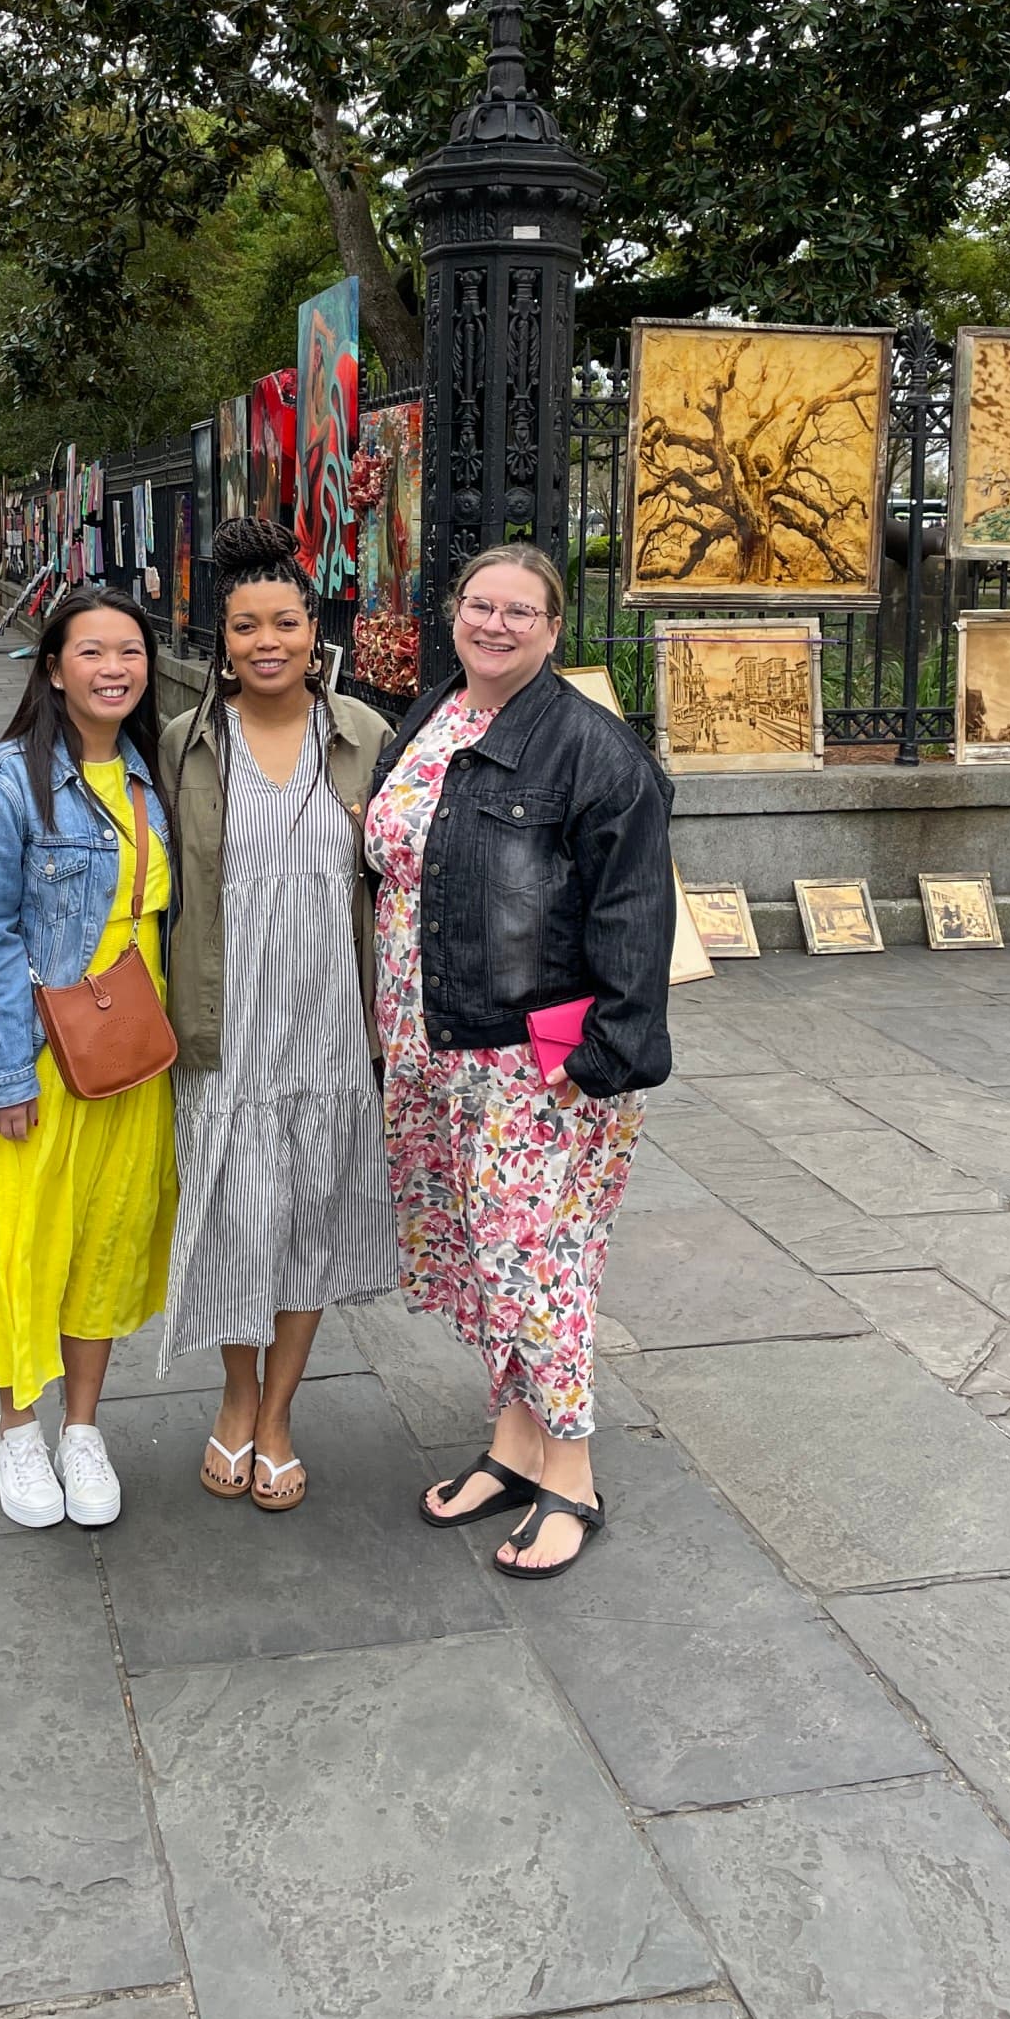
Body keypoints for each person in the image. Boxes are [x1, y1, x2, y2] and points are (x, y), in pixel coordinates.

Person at [365, 545, 674, 1583]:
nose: (493, 625)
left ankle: (570, 1475)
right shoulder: (433, 715)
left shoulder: (592, 752)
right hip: (427, 1038)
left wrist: (604, 1056)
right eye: (477, 605)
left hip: (530, 1060)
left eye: (519, 612)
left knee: (535, 1259)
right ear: (452, 614)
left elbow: (633, 909)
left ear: (551, 629)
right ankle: (511, 1444)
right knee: (474, 1250)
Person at [158, 519, 396, 1510]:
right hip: (225, 1009)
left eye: (285, 623)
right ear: (222, 637)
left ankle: (278, 1413)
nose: (267, 642)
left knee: (306, 1210)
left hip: (329, 1012)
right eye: (246, 625)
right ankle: (232, 1395)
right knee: (227, 1209)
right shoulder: (182, 743)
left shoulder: (365, 737)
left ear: (313, 630)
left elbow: (402, 875)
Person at [0, 588, 177, 1531]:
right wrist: (3, 1074)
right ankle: (16, 1426)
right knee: (21, 1241)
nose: (114, 667)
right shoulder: (6, 782)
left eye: (131, 650)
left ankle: (83, 1425)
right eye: (92, 651)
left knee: (104, 1241)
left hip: (128, 1051)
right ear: (52, 667)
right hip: (35, 1052)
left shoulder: (153, 773)